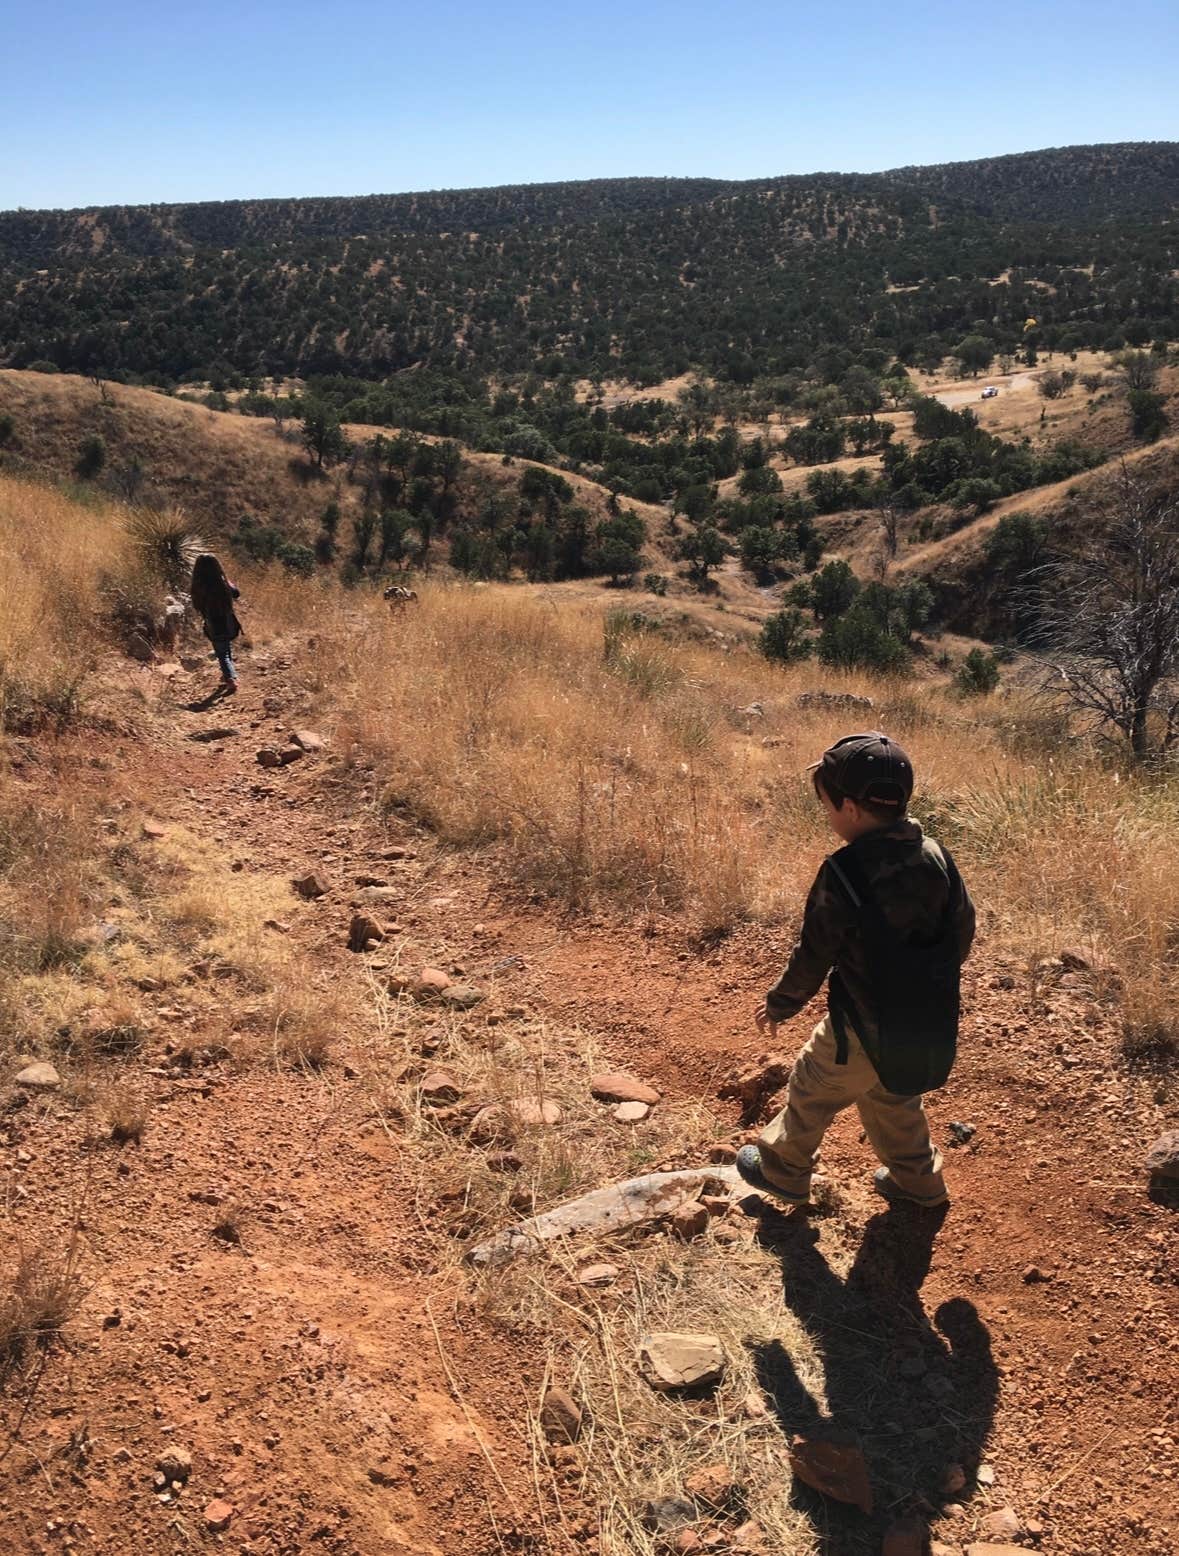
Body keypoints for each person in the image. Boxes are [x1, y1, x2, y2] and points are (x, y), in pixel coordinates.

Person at [737, 732, 975, 1209]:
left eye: (826, 806)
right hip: (925, 1017)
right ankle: (918, 1181)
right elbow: (963, 929)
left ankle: (783, 1168)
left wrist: (781, 1002)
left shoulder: (844, 871)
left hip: (862, 1020)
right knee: (893, 1097)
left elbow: (815, 952)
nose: (827, 815)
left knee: (812, 1083)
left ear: (850, 808)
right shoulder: (936, 856)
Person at [189, 553, 242, 694]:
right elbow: (236, 594)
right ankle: (228, 675)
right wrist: (227, 582)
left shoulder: (198, 586)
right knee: (226, 648)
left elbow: (196, 605)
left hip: (212, 622)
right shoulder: (223, 583)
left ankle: (230, 678)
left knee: (221, 652)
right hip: (228, 620)